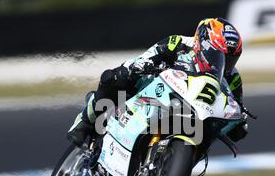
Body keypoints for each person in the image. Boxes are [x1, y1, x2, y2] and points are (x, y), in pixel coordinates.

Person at [68, 17, 248, 147]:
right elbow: (146, 57)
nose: (223, 62)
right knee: (116, 77)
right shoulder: (178, 43)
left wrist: (240, 122)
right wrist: (141, 66)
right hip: (155, 92)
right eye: (218, 55)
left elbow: (237, 110)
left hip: (193, 114)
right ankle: (84, 120)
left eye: (229, 59)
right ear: (202, 42)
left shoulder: (232, 77)